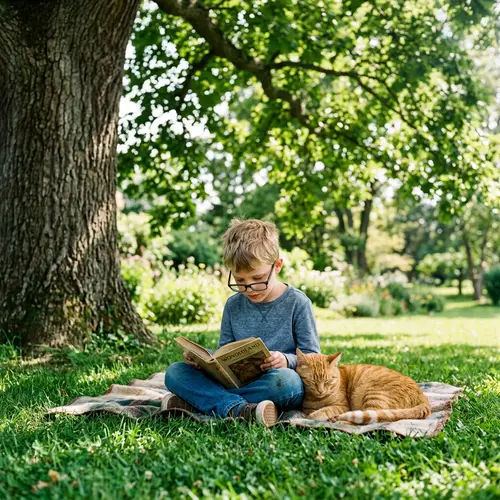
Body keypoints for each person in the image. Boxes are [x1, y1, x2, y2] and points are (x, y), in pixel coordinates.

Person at [164, 218, 320, 426]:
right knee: (175, 372)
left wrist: (286, 360)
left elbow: (313, 357)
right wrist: (203, 362)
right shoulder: (233, 305)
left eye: (258, 278)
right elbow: (224, 353)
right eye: (240, 281)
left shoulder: (298, 303)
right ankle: (240, 409)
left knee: (289, 384)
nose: (250, 289)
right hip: (236, 384)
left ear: (278, 266)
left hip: (273, 382)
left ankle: (205, 402)